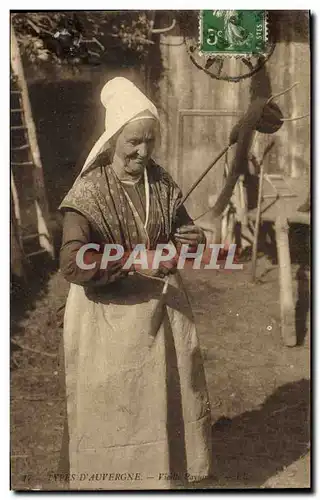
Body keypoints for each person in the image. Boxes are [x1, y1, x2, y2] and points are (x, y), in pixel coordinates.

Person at [59, 77, 212, 490]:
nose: (143, 152)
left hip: (162, 320)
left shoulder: (161, 183)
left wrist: (193, 239)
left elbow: (182, 233)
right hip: (105, 322)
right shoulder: (87, 192)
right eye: (133, 142)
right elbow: (73, 264)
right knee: (114, 413)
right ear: (113, 141)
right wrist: (131, 259)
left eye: (150, 141)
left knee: (159, 411)